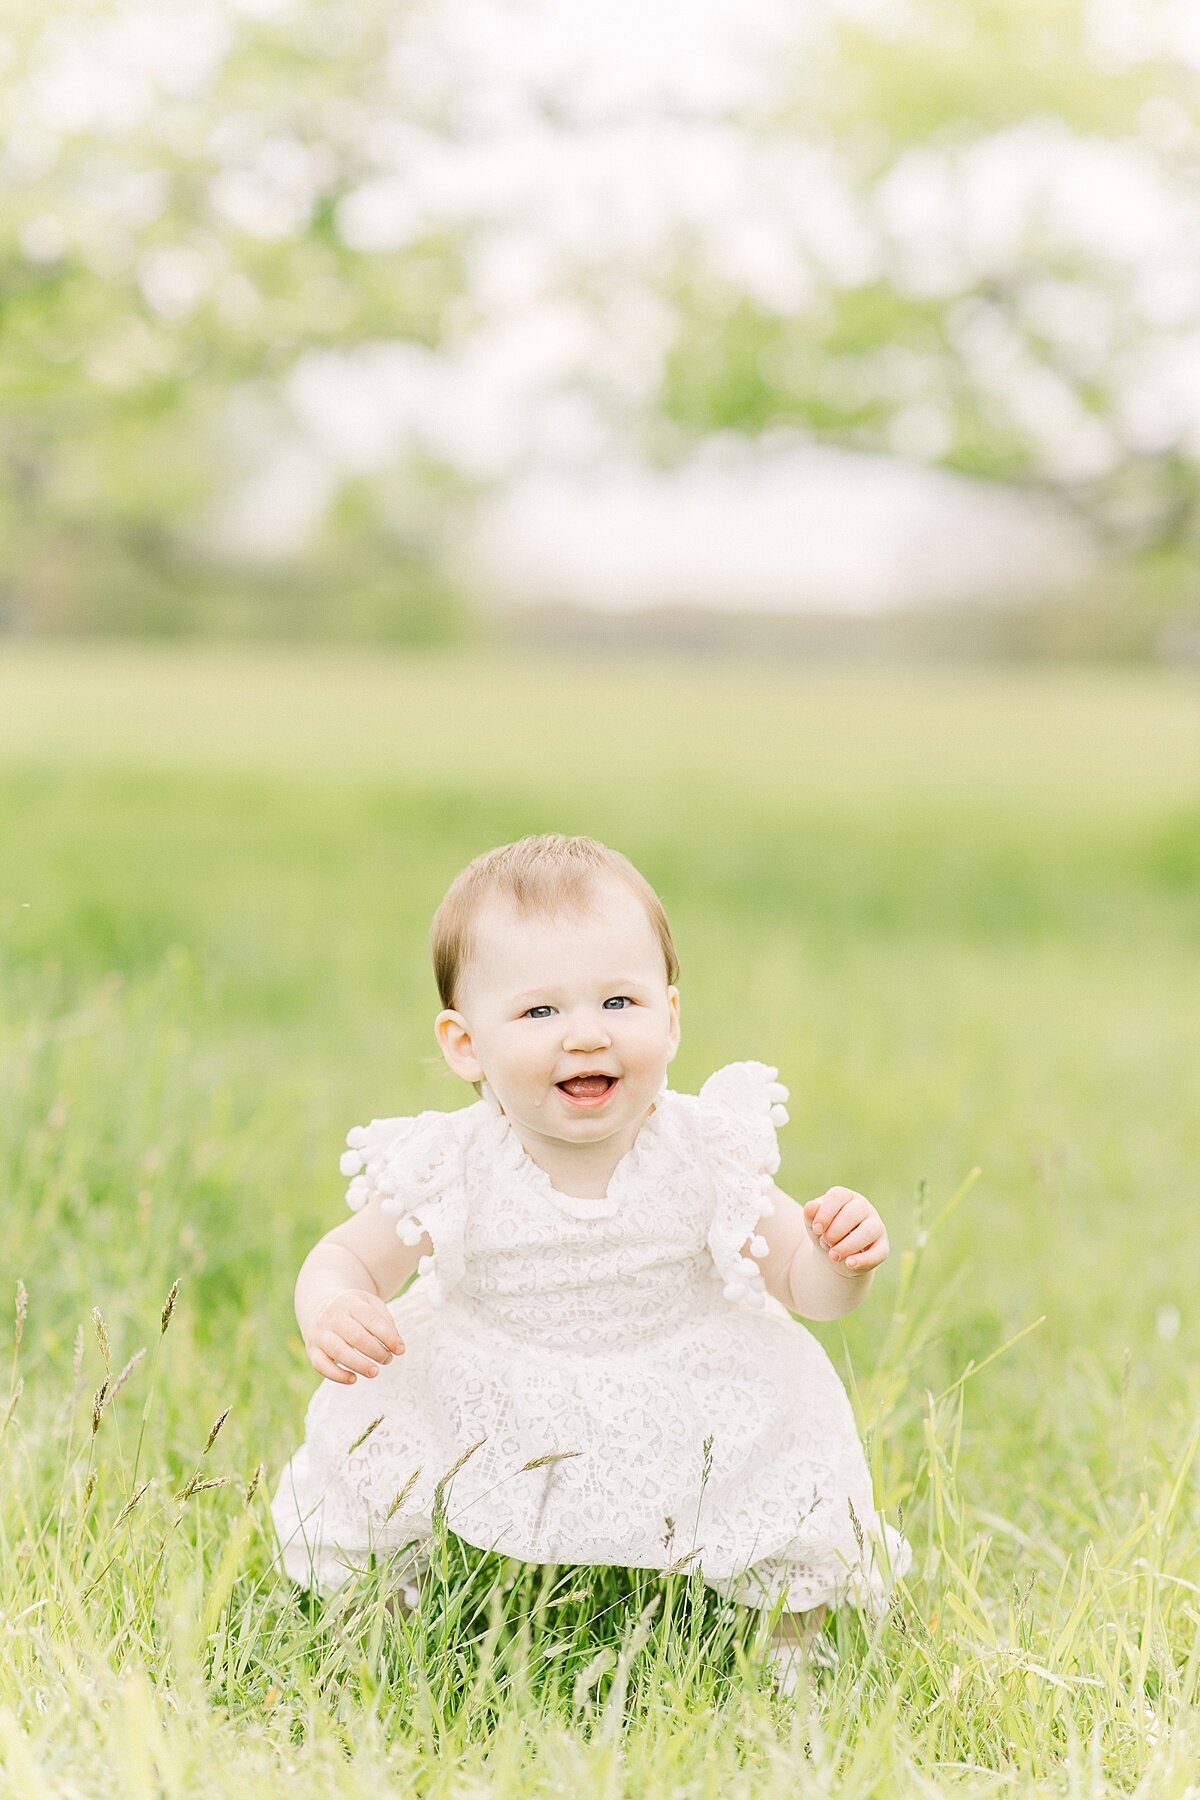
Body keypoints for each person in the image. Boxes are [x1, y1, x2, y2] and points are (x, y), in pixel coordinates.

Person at [270, 833, 911, 1690]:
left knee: (790, 1431)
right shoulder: (454, 1160)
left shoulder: (706, 1150)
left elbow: (807, 1288)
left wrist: (843, 1260)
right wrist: (334, 1304)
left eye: (619, 1002)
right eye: (539, 1013)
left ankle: (790, 1645)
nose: (584, 1036)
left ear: (671, 1018)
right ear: (466, 1045)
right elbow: (344, 1258)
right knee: (380, 1421)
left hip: (682, 1378)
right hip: (495, 1377)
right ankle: (374, 1624)